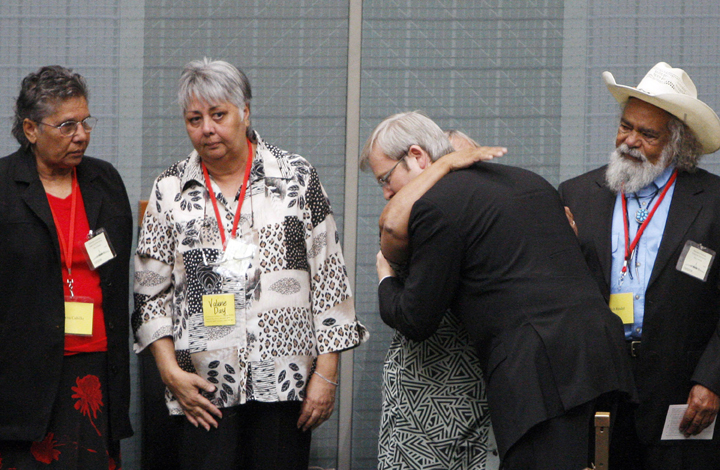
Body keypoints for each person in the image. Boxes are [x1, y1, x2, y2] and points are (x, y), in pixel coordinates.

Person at [363, 111, 635, 470]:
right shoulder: (529, 180)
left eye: (385, 177)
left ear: (417, 155)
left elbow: (416, 319)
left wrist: (386, 279)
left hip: (541, 375)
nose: (385, 192)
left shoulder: (436, 207)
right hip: (604, 357)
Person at [132, 58, 367, 470]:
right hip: (203, 389)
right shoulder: (170, 189)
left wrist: (326, 376)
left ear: (245, 112)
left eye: (218, 114)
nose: (207, 128)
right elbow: (150, 293)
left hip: (285, 381)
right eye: (194, 118)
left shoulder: (296, 176)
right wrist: (169, 374)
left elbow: (330, 280)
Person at [559, 62, 720, 470]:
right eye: (625, 126)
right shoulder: (577, 195)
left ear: (677, 143)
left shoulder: (714, 201)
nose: (630, 141)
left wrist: (713, 379)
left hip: (683, 392)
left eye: (647, 134)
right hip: (601, 387)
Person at [0, 65, 133, 468]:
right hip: (27, 370)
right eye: (67, 125)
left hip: (95, 366)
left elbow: (117, 272)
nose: (81, 135)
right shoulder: (4, 185)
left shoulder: (104, 181)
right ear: (30, 129)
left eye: (85, 122)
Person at [367, 129, 505, 470]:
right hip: (419, 400)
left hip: (476, 391)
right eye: (452, 168)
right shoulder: (411, 222)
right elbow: (391, 228)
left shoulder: (484, 219)